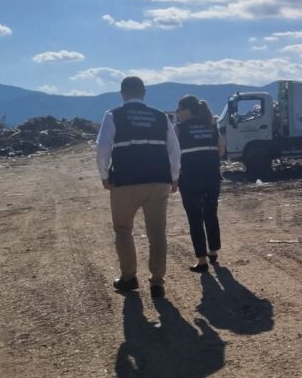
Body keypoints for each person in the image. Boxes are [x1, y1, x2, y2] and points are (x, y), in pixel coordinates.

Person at [96, 76, 181, 299]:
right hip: (158, 181)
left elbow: (103, 148)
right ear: (144, 93)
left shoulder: (113, 115)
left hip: (125, 181)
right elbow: (174, 149)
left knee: (123, 229)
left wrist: (104, 176)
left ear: (122, 93)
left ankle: (129, 277)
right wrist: (174, 177)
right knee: (157, 233)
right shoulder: (160, 116)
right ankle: (157, 282)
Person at [174, 95, 225, 273]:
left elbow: (173, 153)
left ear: (187, 111)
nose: (177, 113)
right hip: (212, 176)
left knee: (195, 217)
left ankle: (201, 260)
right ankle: (213, 251)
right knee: (211, 212)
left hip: (190, 178)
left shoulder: (179, 128)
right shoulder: (211, 126)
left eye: (179, 110)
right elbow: (221, 150)